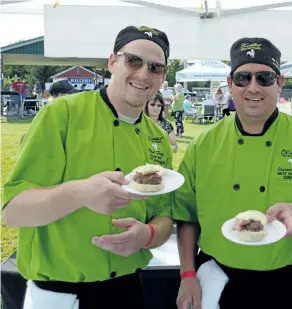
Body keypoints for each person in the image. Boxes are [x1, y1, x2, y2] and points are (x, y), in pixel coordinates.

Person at [172, 37, 292, 309]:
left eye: (264, 77)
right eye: (243, 78)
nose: (253, 87)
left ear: (280, 83)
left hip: (289, 283)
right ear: (230, 83)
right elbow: (186, 217)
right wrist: (187, 275)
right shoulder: (204, 144)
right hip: (218, 278)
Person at [3, 25, 173, 309]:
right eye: (133, 61)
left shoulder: (158, 140)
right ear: (112, 62)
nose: (143, 74)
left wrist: (148, 235)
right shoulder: (62, 114)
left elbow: (164, 215)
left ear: (163, 77)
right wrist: (80, 193)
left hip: (127, 289)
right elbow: (14, 211)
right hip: (60, 294)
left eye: (155, 68)